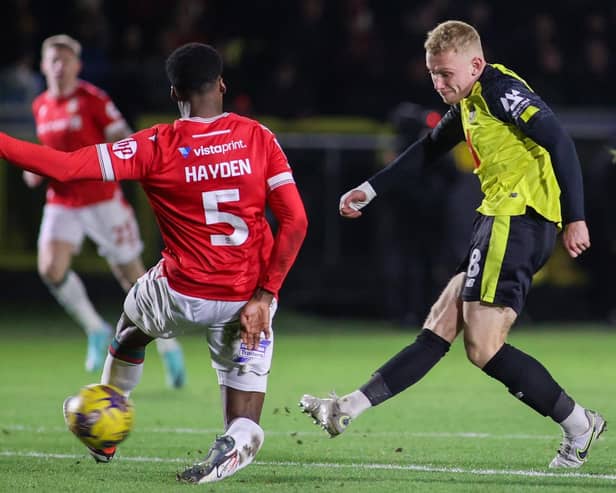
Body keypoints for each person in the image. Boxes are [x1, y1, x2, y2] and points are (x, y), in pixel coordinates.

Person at [300, 20, 606, 469]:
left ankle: (579, 424)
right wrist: (371, 188)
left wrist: (576, 218)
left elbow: (558, 140)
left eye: (446, 74)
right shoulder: (469, 103)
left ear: (476, 64)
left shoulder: (499, 91)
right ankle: (346, 409)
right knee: (440, 324)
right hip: (497, 219)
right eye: (433, 74)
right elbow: (428, 148)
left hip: (518, 220)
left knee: (482, 346)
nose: (439, 83)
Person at [0, 42, 308, 483]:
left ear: (173, 94)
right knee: (245, 413)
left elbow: (65, 168)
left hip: (181, 293)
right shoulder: (259, 138)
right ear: (221, 85)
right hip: (250, 299)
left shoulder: (157, 144)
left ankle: (106, 425)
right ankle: (238, 440)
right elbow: (296, 221)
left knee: (129, 331)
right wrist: (266, 294)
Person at [25, 34, 186, 387]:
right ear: (43, 65)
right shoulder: (41, 105)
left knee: (132, 279)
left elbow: (123, 137)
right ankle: (96, 329)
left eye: (65, 59)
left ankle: (169, 347)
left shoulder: (92, 99)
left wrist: (105, 159)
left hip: (103, 201)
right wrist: (34, 169)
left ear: (77, 66)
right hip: (63, 202)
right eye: (52, 59)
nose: (59, 65)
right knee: (51, 268)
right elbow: (47, 149)